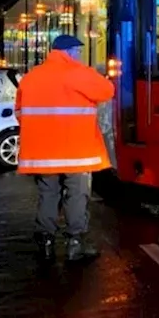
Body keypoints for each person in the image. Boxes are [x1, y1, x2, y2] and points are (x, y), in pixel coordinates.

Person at [15, 34, 114, 262]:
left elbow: (20, 113)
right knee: (77, 195)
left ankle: (46, 242)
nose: (79, 56)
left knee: (47, 194)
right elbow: (107, 91)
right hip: (76, 152)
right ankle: (75, 242)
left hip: (43, 153)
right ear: (70, 52)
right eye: (78, 52)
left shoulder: (31, 77)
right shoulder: (79, 73)